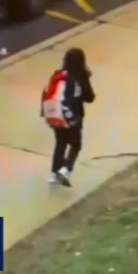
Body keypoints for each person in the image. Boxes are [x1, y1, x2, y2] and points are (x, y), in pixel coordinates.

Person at [40, 48, 95, 187]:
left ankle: (54, 174)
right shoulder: (80, 77)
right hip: (72, 117)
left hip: (55, 114)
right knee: (76, 144)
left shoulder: (58, 75)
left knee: (60, 143)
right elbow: (90, 97)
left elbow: (47, 92)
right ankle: (66, 169)